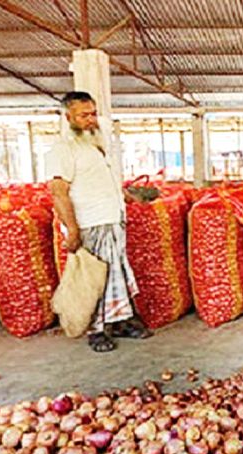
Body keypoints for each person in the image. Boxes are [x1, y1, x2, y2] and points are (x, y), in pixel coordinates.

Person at [45, 91, 151, 352]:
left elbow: (109, 183)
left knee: (116, 274)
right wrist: (72, 230)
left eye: (93, 114)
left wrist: (130, 198)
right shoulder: (63, 150)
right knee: (95, 279)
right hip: (89, 223)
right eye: (83, 115)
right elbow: (59, 192)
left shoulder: (99, 145)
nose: (90, 120)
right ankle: (96, 330)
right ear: (68, 117)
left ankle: (121, 321)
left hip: (112, 219)